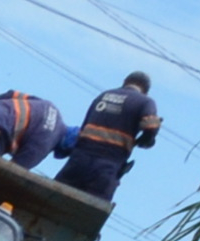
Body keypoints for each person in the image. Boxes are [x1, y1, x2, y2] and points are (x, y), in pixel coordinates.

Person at [56, 73, 161, 201]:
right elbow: (150, 126)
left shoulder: (103, 96)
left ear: (125, 82)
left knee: (53, 199)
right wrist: (146, 140)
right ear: (146, 90)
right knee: (89, 210)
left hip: (79, 158)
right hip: (107, 164)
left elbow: (84, 127)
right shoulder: (145, 101)